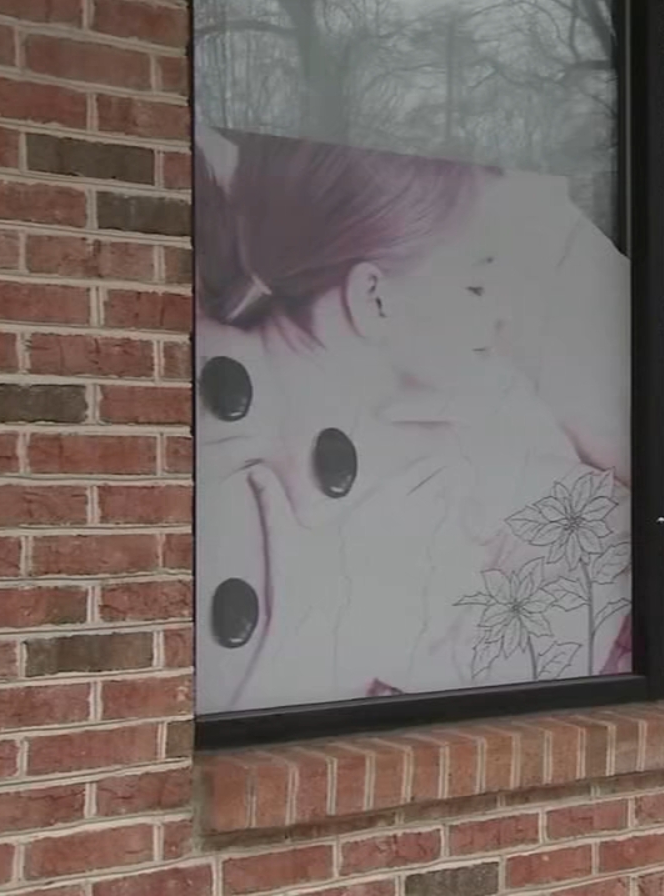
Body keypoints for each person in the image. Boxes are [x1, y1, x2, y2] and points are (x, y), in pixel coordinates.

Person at [193, 126, 634, 714]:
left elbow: (599, 538)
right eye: (476, 285)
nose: (502, 317)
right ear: (372, 298)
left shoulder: (463, 422)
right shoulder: (236, 459)